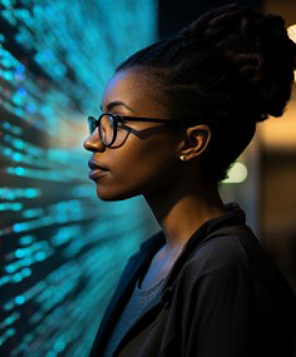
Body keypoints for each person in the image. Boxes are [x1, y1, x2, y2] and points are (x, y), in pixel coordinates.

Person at [83, 3, 296, 357]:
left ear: (191, 142)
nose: (93, 140)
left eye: (118, 122)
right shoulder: (149, 258)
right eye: (101, 120)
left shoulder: (225, 270)